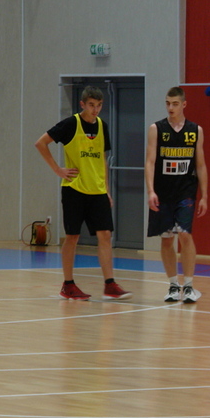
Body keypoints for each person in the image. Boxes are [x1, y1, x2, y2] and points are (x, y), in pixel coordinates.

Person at [35, 85, 131, 301]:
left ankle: (110, 284)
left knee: (105, 235)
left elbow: (103, 159)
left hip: (97, 190)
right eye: (91, 105)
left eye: (99, 105)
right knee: (72, 236)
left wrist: (106, 190)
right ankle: (68, 285)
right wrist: (57, 169)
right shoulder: (71, 124)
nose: (95, 110)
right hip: (74, 190)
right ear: (82, 104)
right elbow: (40, 143)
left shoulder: (102, 126)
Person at [145, 86, 208, 304]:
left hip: (185, 191)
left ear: (184, 105)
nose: (170, 107)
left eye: (174, 103)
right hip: (163, 192)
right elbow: (150, 162)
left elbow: (201, 165)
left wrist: (205, 196)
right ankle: (173, 285)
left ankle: (188, 286)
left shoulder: (195, 130)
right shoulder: (156, 129)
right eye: (167, 103)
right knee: (166, 239)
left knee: (185, 235)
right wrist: (151, 190)